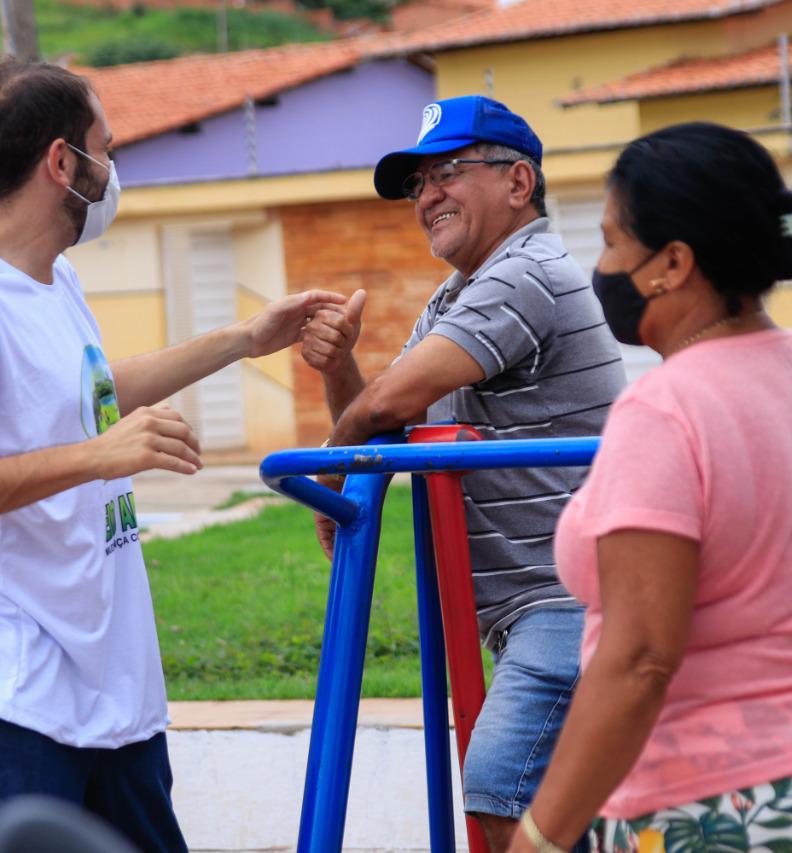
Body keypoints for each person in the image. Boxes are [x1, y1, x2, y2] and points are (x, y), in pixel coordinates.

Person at [0, 60, 345, 853]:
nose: (112, 172)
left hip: (109, 688)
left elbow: (89, 392)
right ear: (63, 163)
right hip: (14, 697)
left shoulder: (53, 281)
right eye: (106, 149)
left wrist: (245, 339)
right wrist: (95, 458)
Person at [508, 122, 792, 853]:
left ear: (672, 262)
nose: (600, 266)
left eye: (611, 241)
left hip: (711, 806)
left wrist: (541, 836)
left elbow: (641, 658)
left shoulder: (664, 412)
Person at [300, 95, 625, 852]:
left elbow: (383, 408)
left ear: (518, 183)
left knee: (500, 782)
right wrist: (340, 367)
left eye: (448, 172)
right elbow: (386, 419)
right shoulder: (463, 294)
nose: (428, 196)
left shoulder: (527, 273)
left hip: (567, 598)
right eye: (419, 184)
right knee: (551, 805)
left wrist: (329, 476)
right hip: (536, 607)